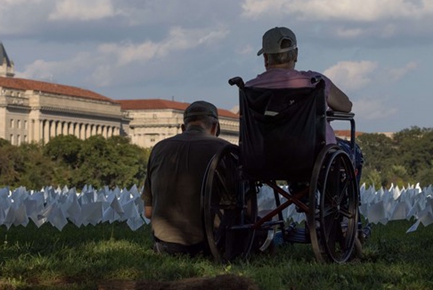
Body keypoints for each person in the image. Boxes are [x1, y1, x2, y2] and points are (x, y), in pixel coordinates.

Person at [245, 26, 364, 192]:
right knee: (354, 151)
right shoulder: (314, 81)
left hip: (264, 156)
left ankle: (300, 193)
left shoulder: (250, 88)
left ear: (266, 58)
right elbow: (346, 106)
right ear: (296, 55)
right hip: (312, 155)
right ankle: (340, 208)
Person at [141, 100, 229, 257]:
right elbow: (247, 211)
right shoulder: (224, 148)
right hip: (213, 245)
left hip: (165, 245)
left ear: (183, 128)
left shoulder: (158, 149)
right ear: (215, 127)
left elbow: (148, 211)